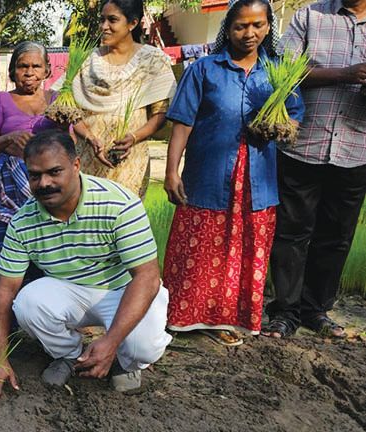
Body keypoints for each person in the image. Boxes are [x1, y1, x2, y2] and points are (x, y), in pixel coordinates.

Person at [0, 129, 170, 401]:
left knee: (143, 346)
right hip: (68, 289)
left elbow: (147, 277)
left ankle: (126, 362)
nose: (44, 183)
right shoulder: (23, 221)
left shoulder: (117, 204)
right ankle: (69, 356)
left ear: (76, 165)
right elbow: (4, 291)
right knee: (27, 303)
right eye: (35, 175)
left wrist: (111, 341)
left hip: (121, 290)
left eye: (54, 172)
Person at [163, 0, 303, 346]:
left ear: (269, 27)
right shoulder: (205, 70)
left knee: (244, 248)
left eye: (257, 25)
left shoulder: (278, 72)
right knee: (200, 246)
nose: (249, 33)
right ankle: (183, 316)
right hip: (208, 175)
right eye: (241, 26)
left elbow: (294, 113)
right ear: (229, 27)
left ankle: (230, 318)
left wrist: (279, 124)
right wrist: (171, 172)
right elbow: (182, 124)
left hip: (258, 180)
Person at [263, 0, 366, 339]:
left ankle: (316, 310)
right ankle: (285, 311)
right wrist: (345, 74)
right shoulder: (310, 15)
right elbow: (285, 70)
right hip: (304, 144)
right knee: (291, 232)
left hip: (357, 147)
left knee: (336, 237)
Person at [65, 0, 176, 198]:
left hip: (129, 159)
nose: (104, 26)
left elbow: (161, 113)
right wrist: (90, 138)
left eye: (112, 20)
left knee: (126, 220)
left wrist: (133, 138)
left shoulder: (152, 60)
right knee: (86, 219)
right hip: (86, 157)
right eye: (102, 20)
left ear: (132, 24)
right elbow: (69, 110)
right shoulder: (86, 59)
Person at [0, 41, 64, 294]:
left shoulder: (58, 100)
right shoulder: (2, 100)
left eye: (36, 66)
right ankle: (7, 324)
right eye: (22, 66)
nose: (29, 72)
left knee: (48, 245)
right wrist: (9, 138)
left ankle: (44, 315)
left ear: (47, 70)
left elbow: (69, 141)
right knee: (8, 246)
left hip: (47, 183)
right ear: (13, 72)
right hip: (9, 185)